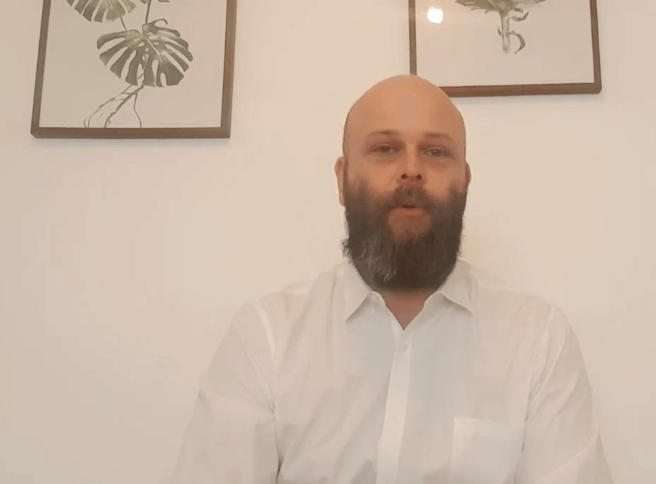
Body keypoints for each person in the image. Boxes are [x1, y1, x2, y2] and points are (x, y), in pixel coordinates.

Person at [171, 75, 613, 484]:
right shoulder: (266, 336)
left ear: (464, 181)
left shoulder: (538, 339)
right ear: (343, 179)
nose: (411, 169)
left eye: (436, 152)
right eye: (385, 149)